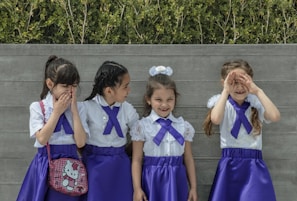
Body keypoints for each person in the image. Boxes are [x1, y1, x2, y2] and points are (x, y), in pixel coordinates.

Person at [203, 59, 280, 201]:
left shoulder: (256, 105)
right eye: (234, 82)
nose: (239, 87)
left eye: (243, 81)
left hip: (253, 165)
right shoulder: (223, 104)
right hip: (229, 164)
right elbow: (215, 119)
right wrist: (226, 90)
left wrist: (257, 90)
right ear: (224, 83)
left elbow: (275, 116)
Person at [16, 55, 87, 201]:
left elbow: (80, 143)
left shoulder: (80, 108)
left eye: (74, 86)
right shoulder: (38, 107)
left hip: (71, 165)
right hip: (45, 164)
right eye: (65, 86)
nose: (70, 91)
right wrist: (56, 112)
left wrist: (74, 111)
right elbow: (42, 139)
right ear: (50, 84)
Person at [131, 66, 198, 201]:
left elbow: (188, 158)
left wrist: (193, 188)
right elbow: (137, 160)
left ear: (175, 99)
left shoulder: (183, 127)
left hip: (177, 178)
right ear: (148, 99)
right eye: (158, 100)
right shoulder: (142, 126)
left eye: (169, 99)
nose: (164, 104)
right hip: (152, 179)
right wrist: (137, 189)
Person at [81, 61, 139, 201]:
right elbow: (79, 139)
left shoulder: (128, 110)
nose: (129, 90)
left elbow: (139, 134)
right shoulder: (86, 108)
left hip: (120, 164)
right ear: (109, 90)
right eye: (125, 86)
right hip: (93, 164)